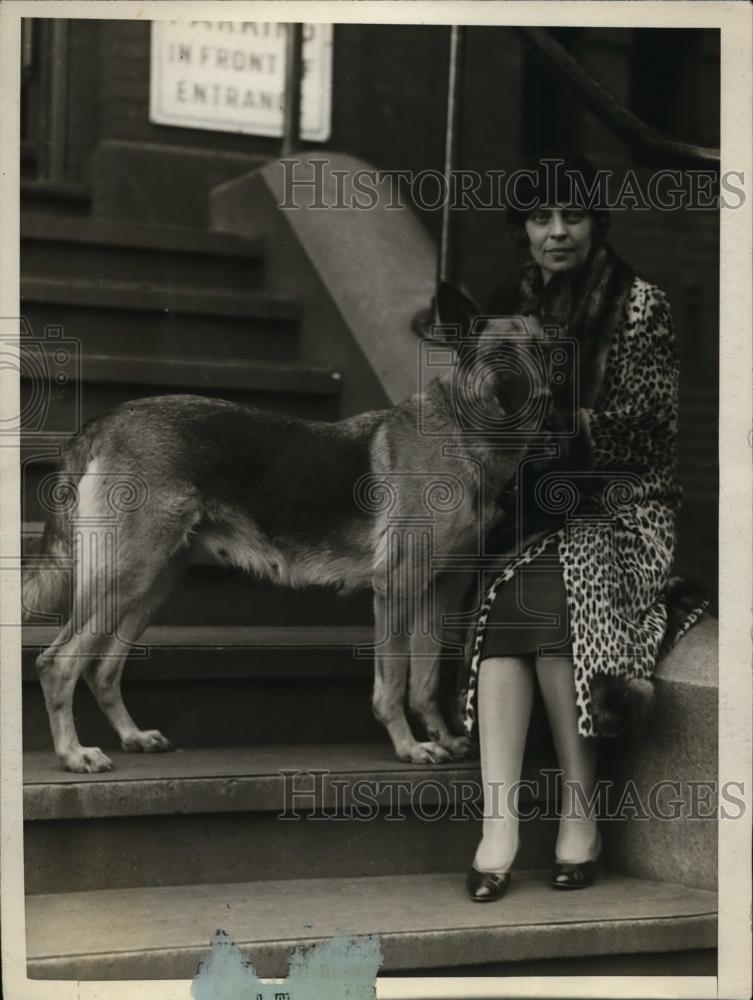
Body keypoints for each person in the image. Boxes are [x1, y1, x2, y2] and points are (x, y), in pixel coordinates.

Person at [462, 154, 707, 902]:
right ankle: (498, 824)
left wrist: (548, 432)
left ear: (597, 223)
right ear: (522, 229)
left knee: (551, 596)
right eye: (541, 218)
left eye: (572, 216)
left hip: (621, 503)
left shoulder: (639, 304)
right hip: (531, 505)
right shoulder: (509, 302)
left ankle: (580, 813)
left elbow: (646, 432)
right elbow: (479, 408)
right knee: (507, 610)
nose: (557, 232)